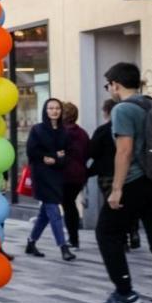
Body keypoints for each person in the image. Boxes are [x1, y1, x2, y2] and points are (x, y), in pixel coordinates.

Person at [94, 62, 152, 303]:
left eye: (108, 85)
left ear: (116, 84)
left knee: (106, 231)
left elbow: (124, 150)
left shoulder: (123, 109)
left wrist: (116, 189)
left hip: (136, 182)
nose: (109, 89)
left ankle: (124, 291)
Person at [24, 98, 77, 262]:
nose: (54, 111)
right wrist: (51, 156)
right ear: (45, 111)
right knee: (54, 210)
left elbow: (67, 154)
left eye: (57, 108)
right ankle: (63, 247)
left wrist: (54, 158)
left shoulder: (64, 132)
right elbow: (32, 151)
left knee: (44, 215)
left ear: (61, 111)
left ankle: (31, 242)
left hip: (56, 175)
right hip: (41, 175)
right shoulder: (37, 130)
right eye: (50, 108)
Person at [88, 100, 141, 250]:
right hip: (130, 172)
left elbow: (92, 152)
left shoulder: (103, 130)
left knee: (114, 207)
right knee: (130, 204)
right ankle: (133, 231)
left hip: (107, 174)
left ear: (106, 112)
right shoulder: (131, 128)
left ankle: (122, 240)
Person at [60, 102, 91, 249]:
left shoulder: (62, 133)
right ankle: (73, 238)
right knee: (69, 203)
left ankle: (73, 239)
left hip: (65, 174)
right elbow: (88, 152)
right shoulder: (83, 133)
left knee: (67, 205)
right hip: (80, 174)